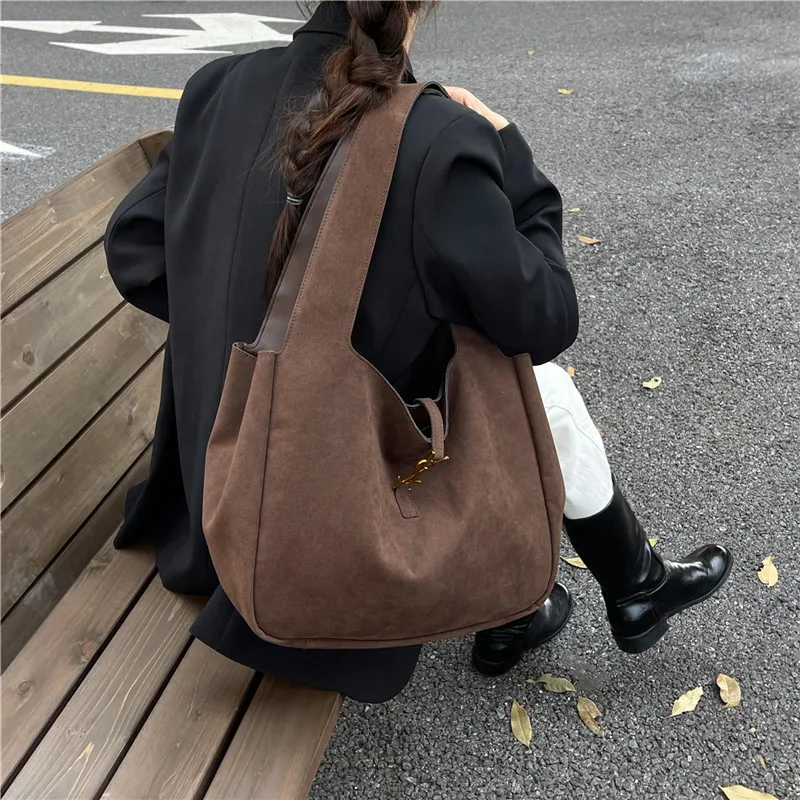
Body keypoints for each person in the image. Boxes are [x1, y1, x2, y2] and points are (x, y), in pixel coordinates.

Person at [105, 0, 731, 703]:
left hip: (203, 500)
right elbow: (548, 317)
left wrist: (229, 324)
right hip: (298, 527)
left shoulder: (217, 88)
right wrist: (508, 149)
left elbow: (135, 252)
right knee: (519, 379)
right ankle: (589, 589)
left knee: (491, 367)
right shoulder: (434, 135)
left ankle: (576, 596)